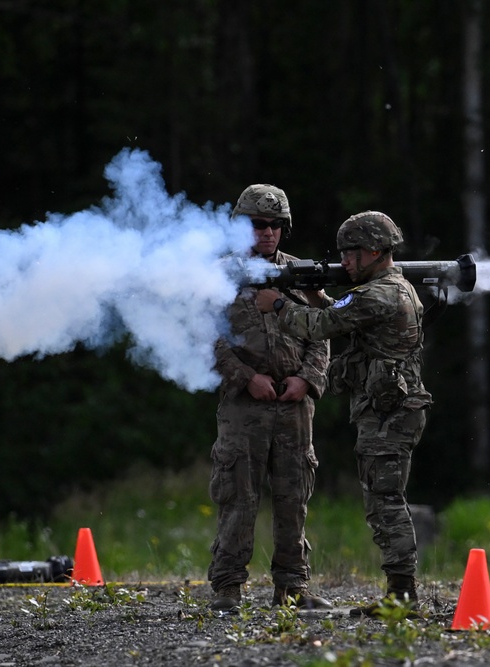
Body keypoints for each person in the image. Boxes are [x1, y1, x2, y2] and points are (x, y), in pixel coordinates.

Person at [256, 210, 431, 615]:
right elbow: (344, 315)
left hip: (390, 412)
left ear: (374, 251)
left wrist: (278, 304)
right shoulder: (384, 289)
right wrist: (316, 295)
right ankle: (400, 593)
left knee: (386, 501)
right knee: (383, 499)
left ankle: (403, 596)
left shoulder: (381, 293)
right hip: (388, 408)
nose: (345, 262)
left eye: (350, 254)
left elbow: (318, 327)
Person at [208, 184, 333, 611]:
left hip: (295, 404)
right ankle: (227, 588)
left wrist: (308, 379)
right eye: (257, 225)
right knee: (237, 495)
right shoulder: (219, 274)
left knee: (293, 495)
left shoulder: (303, 272)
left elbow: (323, 330)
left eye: (275, 225)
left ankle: (292, 586)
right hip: (245, 405)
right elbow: (209, 338)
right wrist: (246, 377)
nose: (267, 232)